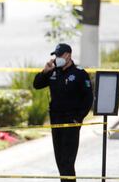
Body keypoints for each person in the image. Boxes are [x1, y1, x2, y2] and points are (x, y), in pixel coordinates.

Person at [33, 43, 94, 182]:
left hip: (71, 123)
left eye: (59, 55)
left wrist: (78, 119)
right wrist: (44, 71)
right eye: (55, 55)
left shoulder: (79, 73)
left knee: (68, 161)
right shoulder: (54, 72)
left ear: (68, 55)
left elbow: (88, 99)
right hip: (56, 122)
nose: (56, 58)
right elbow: (36, 85)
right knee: (60, 160)